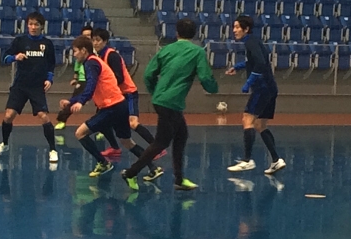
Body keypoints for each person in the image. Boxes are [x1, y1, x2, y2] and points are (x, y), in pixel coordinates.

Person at [121, 18, 218, 191]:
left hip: (164, 100)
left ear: (176, 33)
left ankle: (179, 179)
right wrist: (213, 88)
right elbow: (205, 78)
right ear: (194, 34)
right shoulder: (197, 52)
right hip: (171, 103)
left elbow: (148, 75)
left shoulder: (165, 50)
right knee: (160, 142)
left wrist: (155, 92)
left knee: (181, 136)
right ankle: (130, 173)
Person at [60, 36, 161, 178]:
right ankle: (153, 168)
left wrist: (80, 102)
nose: (74, 54)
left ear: (83, 50)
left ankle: (103, 163)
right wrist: (72, 101)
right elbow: (90, 87)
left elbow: (91, 85)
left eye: (75, 51)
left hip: (111, 107)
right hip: (120, 105)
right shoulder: (94, 62)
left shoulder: (91, 63)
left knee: (80, 133)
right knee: (127, 142)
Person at [92, 28, 165, 179]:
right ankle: (116, 149)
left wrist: (103, 87)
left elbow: (118, 78)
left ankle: (157, 147)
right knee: (114, 130)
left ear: (105, 41)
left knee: (133, 123)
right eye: (93, 40)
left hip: (127, 94)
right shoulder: (98, 56)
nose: (95, 43)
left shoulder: (111, 55)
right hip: (116, 97)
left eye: (98, 40)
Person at [0, 12, 58, 164]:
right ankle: (5, 144)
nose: (33, 27)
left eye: (36, 24)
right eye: (30, 24)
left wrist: (49, 79)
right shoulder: (19, 41)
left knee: (43, 116)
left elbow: (51, 64)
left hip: (37, 87)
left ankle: (53, 149)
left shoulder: (47, 44)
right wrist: (16, 57)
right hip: (20, 86)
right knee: (8, 116)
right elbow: (4, 58)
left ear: (42, 26)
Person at [225, 15, 286, 175]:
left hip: (262, 88)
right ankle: (276, 160)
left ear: (246, 29)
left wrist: (249, 82)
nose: (234, 30)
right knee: (260, 125)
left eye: (238, 27)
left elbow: (260, 63)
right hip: (271, 88)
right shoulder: (253, 41)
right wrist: (238, 67)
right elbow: (254, 61)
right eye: (234, 27)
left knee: (247, 119)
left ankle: (246, 160)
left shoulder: (250, 42)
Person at [54, 25, 92, 130]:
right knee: (73, 101)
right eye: (85, 35)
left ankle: (103, 127)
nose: (87, 37)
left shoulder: (95, 52)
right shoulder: (80, 53)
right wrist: (75, 78)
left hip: (94, 81)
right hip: (82, 80)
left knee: (101, 104)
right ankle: (62, 120)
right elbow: (77, 65)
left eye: (89, 35)